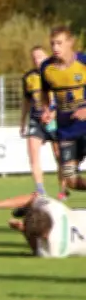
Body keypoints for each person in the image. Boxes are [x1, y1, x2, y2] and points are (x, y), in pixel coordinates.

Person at [39, 26, 86, 195]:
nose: (55, 48)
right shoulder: (46, 67)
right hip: (66, 131)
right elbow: (45, 93)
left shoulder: (83, 62)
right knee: (70, 179)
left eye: (59, 43)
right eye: (52, 44)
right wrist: (46, 110)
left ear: (70, 43)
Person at [0, 189, 86, 258]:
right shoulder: (54, 209)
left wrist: (22, 230)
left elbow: (35, 249)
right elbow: (33, 198)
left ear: (44, 235)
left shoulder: (55, 249)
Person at [20, 46, 61, 198]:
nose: (37, 60)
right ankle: (40, 189)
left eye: (40, 57)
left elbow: (62, 97)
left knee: (59, 155)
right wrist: (22, 121)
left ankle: (63, 188)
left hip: (54, 120)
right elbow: (26, 101)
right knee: (33, 154)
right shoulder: (28, 77)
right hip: (35, 120)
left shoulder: (56, 73)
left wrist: (53, 113)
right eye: (34, 58)